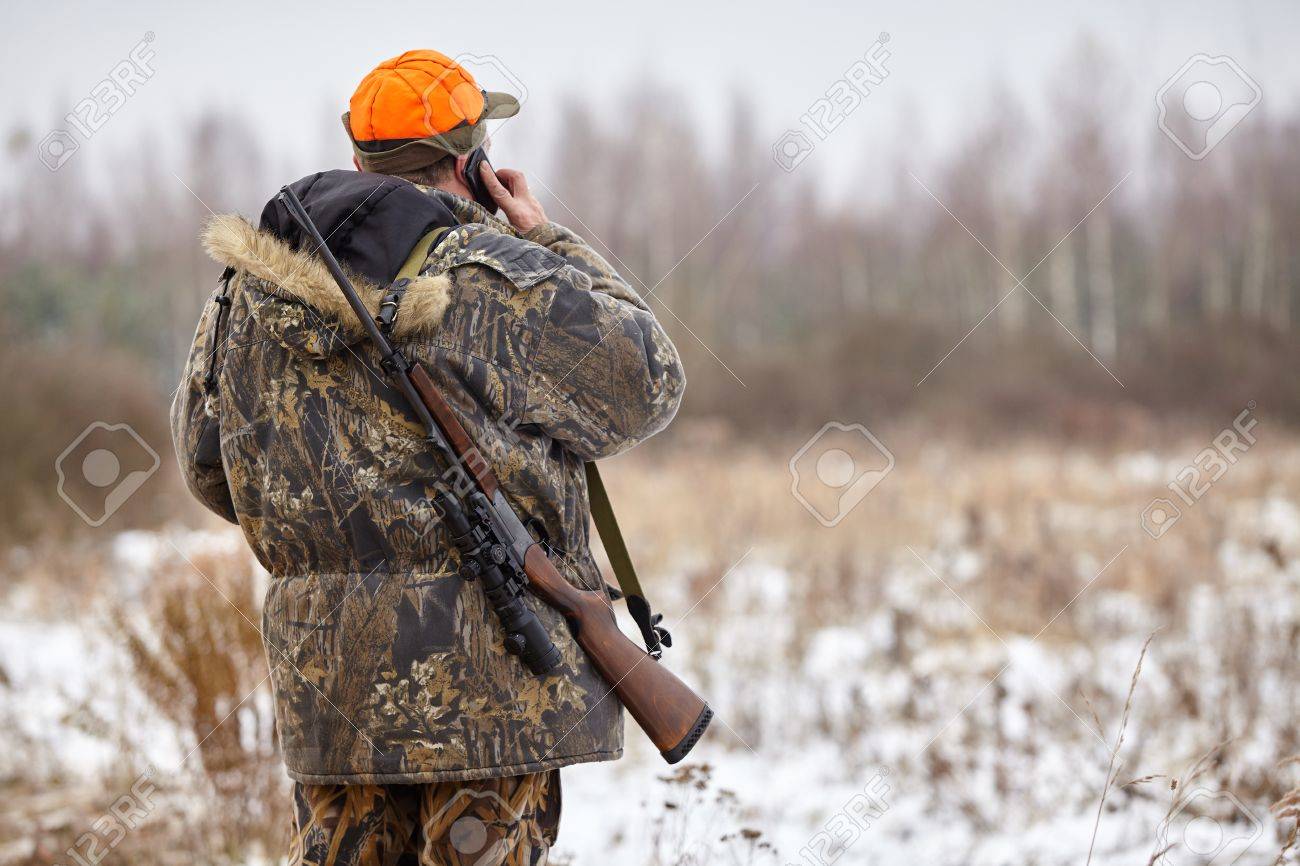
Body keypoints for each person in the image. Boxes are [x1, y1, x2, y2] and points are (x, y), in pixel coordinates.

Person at [170, 49, 685, 865]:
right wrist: (542, 234)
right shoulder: (499, 280)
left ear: (359, 161)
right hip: (490, 690)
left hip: (333, 694)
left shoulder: (245, 293)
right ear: (472, 163)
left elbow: (209, 467)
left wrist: (340, 530)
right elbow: (649, 382)